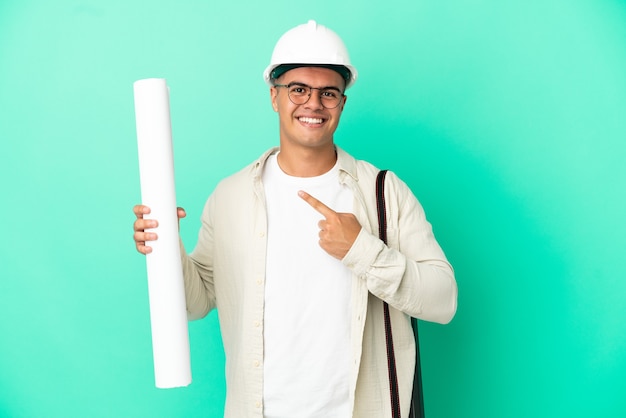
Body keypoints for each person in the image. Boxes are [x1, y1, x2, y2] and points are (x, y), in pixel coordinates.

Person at [133, 20, 457, 418]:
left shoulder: (384, 193)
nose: (313, 104)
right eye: (298, 89)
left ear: (342, 103)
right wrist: (165, 248)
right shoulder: (231, 196)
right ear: (274, 96)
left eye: (329, 93)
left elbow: (444, 301)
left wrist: (362, 250)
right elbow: (197, 301)